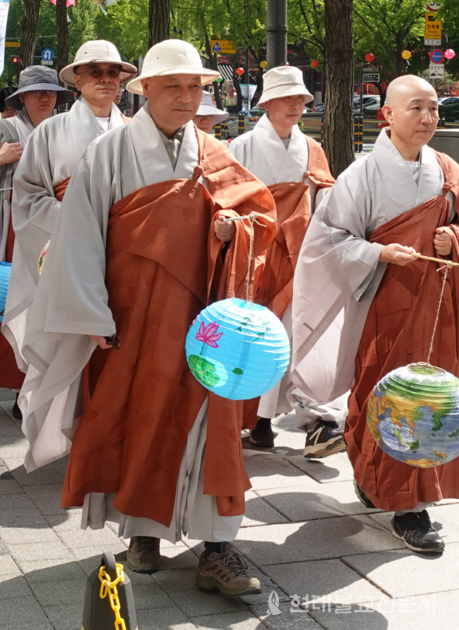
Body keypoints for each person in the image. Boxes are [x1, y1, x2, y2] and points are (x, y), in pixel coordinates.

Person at [18, 39, 275, 594]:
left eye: (195, 87)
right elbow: (79, 239)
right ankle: (142, 535)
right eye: (174, 86)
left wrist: (235, 229)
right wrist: (93, 316)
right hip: (132, 321)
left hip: (206, 323)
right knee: (137, 421)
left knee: (212, 428)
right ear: (147, 91)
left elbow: (258, 213)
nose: (186, 97)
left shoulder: (214, 153)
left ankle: (217, 548)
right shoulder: (108, 154)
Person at [291, 75, 459, 554]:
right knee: (383, 395)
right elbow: (328, 241)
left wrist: (456, 238)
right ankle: (378, 480)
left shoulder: (445, 169)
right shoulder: (360, 175)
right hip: (381, 305)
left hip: (437, 309)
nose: (428, 118)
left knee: (428, 401)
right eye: (416, 108)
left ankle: (410, 504)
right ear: (387, 115)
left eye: (434, 110)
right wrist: (379, 254)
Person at [4, 41, 135, 385]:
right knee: (69, 357)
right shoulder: (50, 131)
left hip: (126, 252)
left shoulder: (137, 131)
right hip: (69, 250)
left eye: (112, 72)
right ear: (77, 80)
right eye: (95, 72)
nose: (105, 79)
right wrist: (75, 221)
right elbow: (28, 194)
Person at [227, 66, 340, 454]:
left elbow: (327, 199)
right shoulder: (241, 147)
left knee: (302, 336)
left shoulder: (313, 148)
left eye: (301, 99)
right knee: (258, 338)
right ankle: (257, 421)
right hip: (256, 257)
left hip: (301, 256)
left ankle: (317, 419)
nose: (296, 105)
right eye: (288, 98)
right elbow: (228, 201)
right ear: (268, 102)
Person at [0, 66, 71, 416]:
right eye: (37, 92)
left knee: (58, 307)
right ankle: (21, 389)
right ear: (21, 97)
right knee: (16, 303)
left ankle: (55, 388)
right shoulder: (2, 130)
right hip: (15, 228)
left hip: (62, 227)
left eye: (50, 91)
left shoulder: (69, 128)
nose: (44, 97)